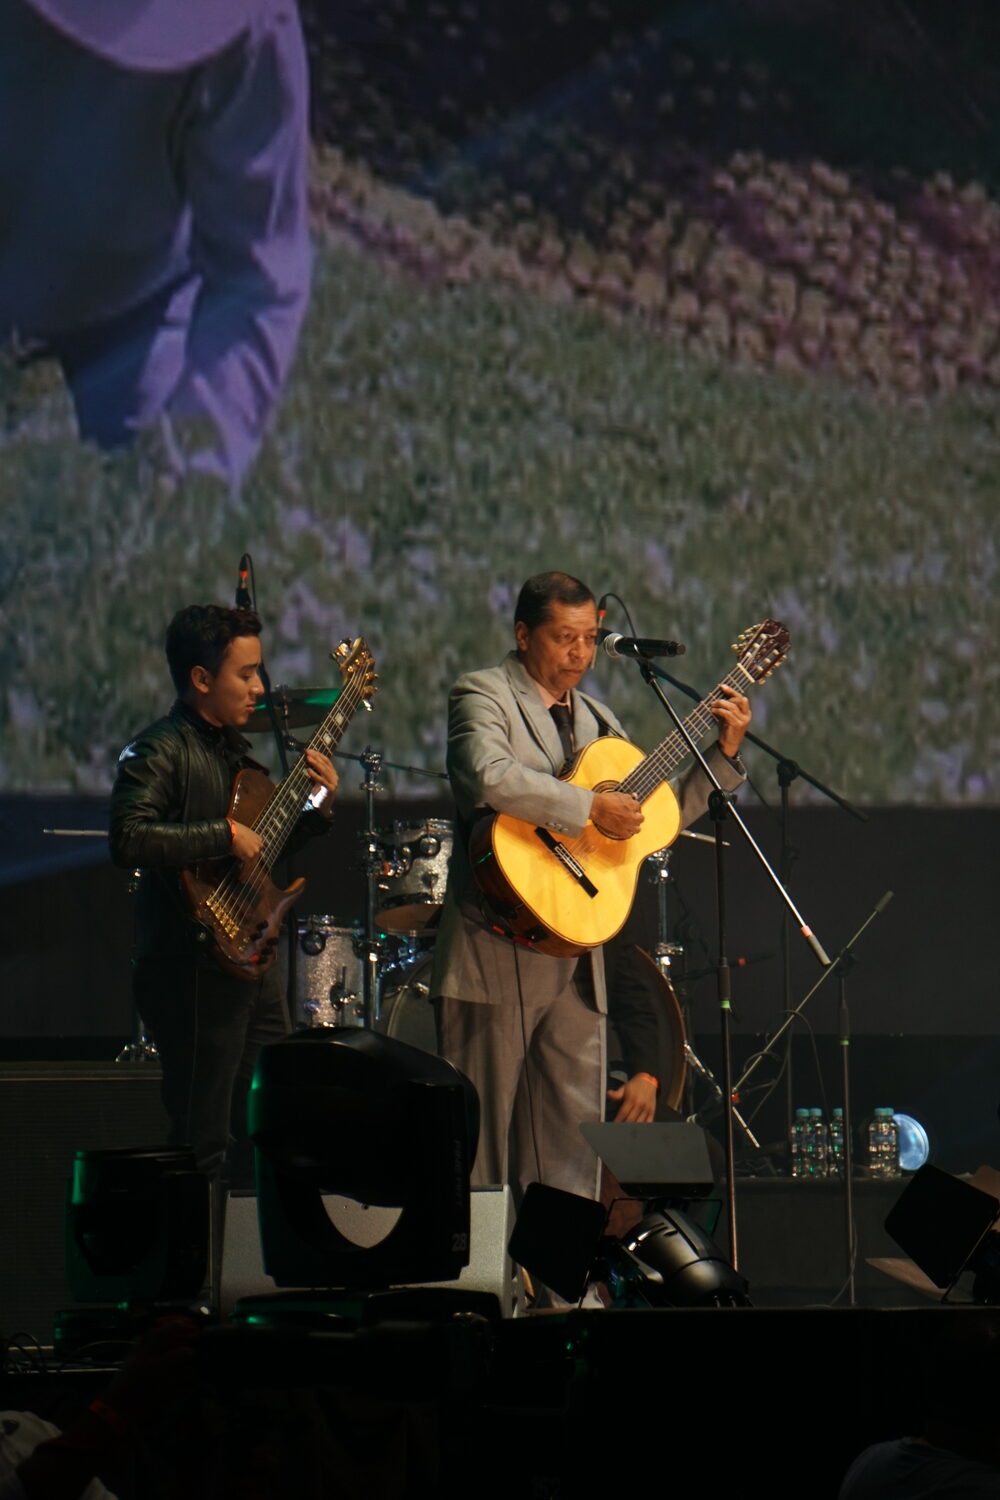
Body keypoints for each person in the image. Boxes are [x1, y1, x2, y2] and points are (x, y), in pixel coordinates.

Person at [430, 570, 751, 1214]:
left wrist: (721, 756)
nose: (580, 653)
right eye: (563, 637)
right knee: (480, 1155)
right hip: (497, 947)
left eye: (588, 638)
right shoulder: (483, 694)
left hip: (580, 964)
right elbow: (487, 776)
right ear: (524, 635)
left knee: (568, 1161)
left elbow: (650, 820)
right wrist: (587, 808)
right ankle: (478, 1275)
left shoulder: (600, 720)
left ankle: (557, 1276)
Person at [0, 0, 311, 489]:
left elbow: (255, 276)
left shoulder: (253, 29)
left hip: (135, 313)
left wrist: (204, 453)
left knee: (152, 490)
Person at [108, 604, 338, 1186]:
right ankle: (193, 1248)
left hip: (249, 959)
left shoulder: (236, 753)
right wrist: (223, 834)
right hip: (191, 968)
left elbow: (265, 850)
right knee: (203, 1137)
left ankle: (251, 1245)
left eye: (258, 672)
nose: (259, 688)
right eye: (246, 674)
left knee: (272, 1120)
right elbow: (128, 837)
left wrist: (316, 807)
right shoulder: (157, 750)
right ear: (201, 678)